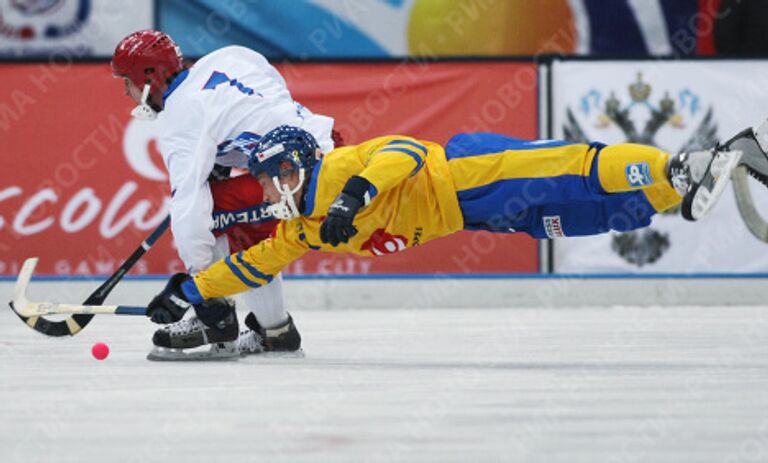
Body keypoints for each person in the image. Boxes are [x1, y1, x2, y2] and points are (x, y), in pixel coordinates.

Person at [146, 123, 767, 359]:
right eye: (262, 177)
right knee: (581, 217)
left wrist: (355, 195)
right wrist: (191, 289)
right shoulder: (302, 226)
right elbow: (254, 265)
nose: (264, 185)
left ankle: (683, 166)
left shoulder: (336, 171)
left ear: (298, 164)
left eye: (271, 173)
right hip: (472, 217)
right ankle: (674, 190)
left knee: (571, 166)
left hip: (466, 172)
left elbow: (408, 150)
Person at [111, 31, 339, 360]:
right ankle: (276, 333)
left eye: (127, 81)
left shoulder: (180, 118)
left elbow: (189, 207)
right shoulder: (228, 56)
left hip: (304, 176)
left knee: (212, 209)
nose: (125, 91)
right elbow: (268, 90)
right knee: (244, 228)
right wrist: (224, 156)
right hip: (329, 148)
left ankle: (214, 319)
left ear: (147, 78)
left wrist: (202, 294)